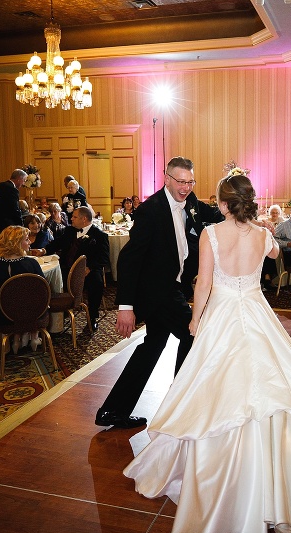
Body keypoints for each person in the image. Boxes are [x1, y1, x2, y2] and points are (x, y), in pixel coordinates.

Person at [123, 175, 291, 533]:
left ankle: (229, 494)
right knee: (274, 392)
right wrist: (264, 228)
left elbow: (203, 283)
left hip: (224, 314)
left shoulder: (211, 234)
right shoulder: (262, 236)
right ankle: (280, 501)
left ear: (224, 204)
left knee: (216, 394)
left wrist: (196, 319)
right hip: (257, 314)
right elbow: (278, 255)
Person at [95, 156, 223, 429]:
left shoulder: (189, 201)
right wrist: (125, 307)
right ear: (166, 179)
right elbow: (129, 260)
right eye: (180, 181)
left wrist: (248, 219)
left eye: (190, 181)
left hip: (171, 287)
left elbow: (213, 214)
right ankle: (179, 405)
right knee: (194, 332)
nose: (186, 187)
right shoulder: (150, 211)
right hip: (158, 291)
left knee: (153, 346)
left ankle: (113, 411)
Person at [33, 206, 110, 330]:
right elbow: (57, 242)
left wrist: (89, 268)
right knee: (45, 280)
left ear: (84, 219)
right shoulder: (70, 231)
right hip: (66, 267)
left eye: (74, 217)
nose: (71, 219)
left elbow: (104, 258)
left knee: (97, 282)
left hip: (88, 269)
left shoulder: (99, 236)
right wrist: (43, 250)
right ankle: (53, 316)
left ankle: (92, 317)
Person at [0, 225, 46, 353]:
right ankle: (33, 336)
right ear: (16, 244)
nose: (30, 242)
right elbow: (43, 291)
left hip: (3, 315)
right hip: (32, 314)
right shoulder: (32, 264)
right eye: (26, 239)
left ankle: (15, 341)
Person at [0, 169, 26, 240]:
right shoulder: (12, 190)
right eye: (23, 180)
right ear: (19, 179)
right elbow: (15, 210)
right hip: (4, 226)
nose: (23, 183)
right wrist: (21, 226)